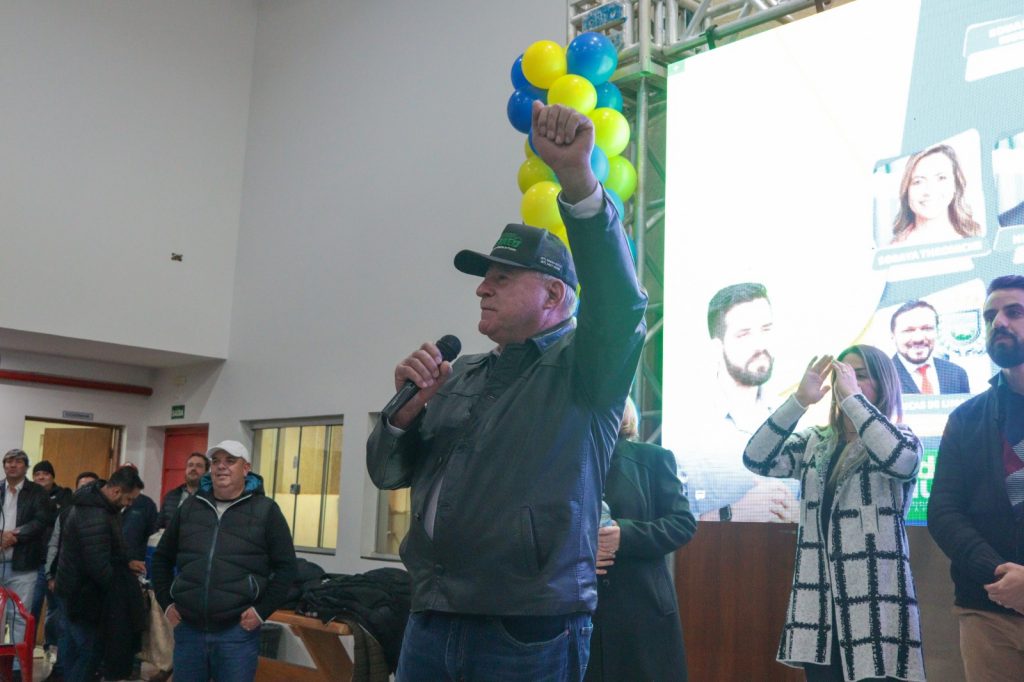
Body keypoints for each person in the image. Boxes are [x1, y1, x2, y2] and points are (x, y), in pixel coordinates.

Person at [366, 101, 647, 682]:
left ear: (553, 295)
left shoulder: (584, 372)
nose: (482, 291)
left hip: (526, 623)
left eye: (501, 278)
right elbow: (387, 473)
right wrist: (401, 419)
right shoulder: (459, 374)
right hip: (432, 612)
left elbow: (621, 307)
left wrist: (577, 181)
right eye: (481, 279)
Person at [743, 346, 925, 681]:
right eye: (845, 372)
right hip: (821, 610)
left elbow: (900, 461)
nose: (847, 380)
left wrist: (854, 399)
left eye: (861, 375)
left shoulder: (901, 437)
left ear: (884, 384)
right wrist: (799, 400)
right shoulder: (816, 442)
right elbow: (756, 457)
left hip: (877, 608)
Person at [928, 274, 1024, 680]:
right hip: (988, 608)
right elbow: (944, 511)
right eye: (990, 316)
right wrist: (1000, 571)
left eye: (1014, 312)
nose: (998, 322)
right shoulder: (965, 418)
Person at [151, 440, 297, 681]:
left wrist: (261, 612)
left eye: (230, 461)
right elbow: (161, 559)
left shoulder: (266, 511)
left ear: (246, 468)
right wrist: (167, 602)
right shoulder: (190, 508)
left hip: (237, 633)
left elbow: (286, 568)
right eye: (216, 461)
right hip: (189, 631)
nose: (221, 467)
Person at [585, 397, 696, 682]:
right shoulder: (565, 462)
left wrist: (625, 536)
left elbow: (683, 523)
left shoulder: (654, 458)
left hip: (642, 611)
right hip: (581, 611)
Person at [680, 282, 799, 523]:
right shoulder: (687, 426)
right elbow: (664, 526)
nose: (760, 345)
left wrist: (802, 516)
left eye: (766, 329)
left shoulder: (794, 420)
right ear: (717, 346)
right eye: (744, 334)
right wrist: (731, 513)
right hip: (712, 559)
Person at [56, 466, 147, 682]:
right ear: (116, 491)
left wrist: (126, 562)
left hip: (75, 589)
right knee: (89, 652)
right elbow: (97, 564)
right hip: (81, 594)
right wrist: (119, 590)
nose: (129, 504)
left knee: (75, 651)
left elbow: (107, 548)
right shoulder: (94, 513)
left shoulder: (102, 507)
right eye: (129, 498)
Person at [0, 448, 54, 682]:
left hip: (23, 565)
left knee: (17, 617)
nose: (12, 465)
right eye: (8, 462)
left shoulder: (37, 493)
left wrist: (15, 535)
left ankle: (12, 666)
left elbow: (42, 521)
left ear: (26, 466)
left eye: (17, 462)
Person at [45, 471, 98, 682]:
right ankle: (64, 674)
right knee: (66, 632)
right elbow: (54, 545)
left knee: (85, 638)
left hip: (91, 589)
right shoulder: (66, 513)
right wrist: (50, 573)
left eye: (90, 486)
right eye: (82, 486)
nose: (85, 490)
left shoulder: (104, 514)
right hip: (65, 584)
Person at [889, 144, 981, 246]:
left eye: (941, 178)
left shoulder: (976, 240)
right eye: (918, 181)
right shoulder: (893, 250)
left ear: (955, 184)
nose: (929, 190)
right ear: (907, 191)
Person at [890, 299, 970, 394]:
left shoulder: (957, 374)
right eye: (908, 330)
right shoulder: (880, 377)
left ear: (937, 331)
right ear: (893, 336)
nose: (918, 339)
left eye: (927, 329)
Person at [158, 451, 209, 529]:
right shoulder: (171, 496)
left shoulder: (210, 497)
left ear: (206, 472)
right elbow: (159, 525)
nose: (193, 468)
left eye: (199, 466)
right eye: (190, 465)